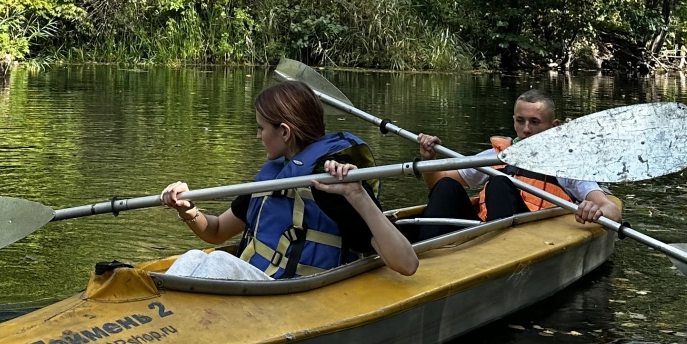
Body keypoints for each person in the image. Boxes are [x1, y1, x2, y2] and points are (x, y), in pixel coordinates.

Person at [159, 81, 418, 278]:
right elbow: (216, 231)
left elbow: (407, 263)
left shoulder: (331, 183)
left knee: (218, 263)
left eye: (261, 128)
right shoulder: (275, 176)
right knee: (193, 257)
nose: (258, 136)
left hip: (294, 293)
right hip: (258, 286)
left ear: (284, 131)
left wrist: (357, 195)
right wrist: (187, 209)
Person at [418, 89, 620, 229]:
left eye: (535, 122)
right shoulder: (495, 156)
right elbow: (436, 183)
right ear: (513, 121)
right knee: (446, 187)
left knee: (499, 184)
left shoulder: (566, 166)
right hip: (483, 231)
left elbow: (611, 210)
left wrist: (594, 210)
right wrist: (428, 159)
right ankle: (423, 253)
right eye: (520, 121)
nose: (526, 130)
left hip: (532, 237)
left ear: (554, 126)